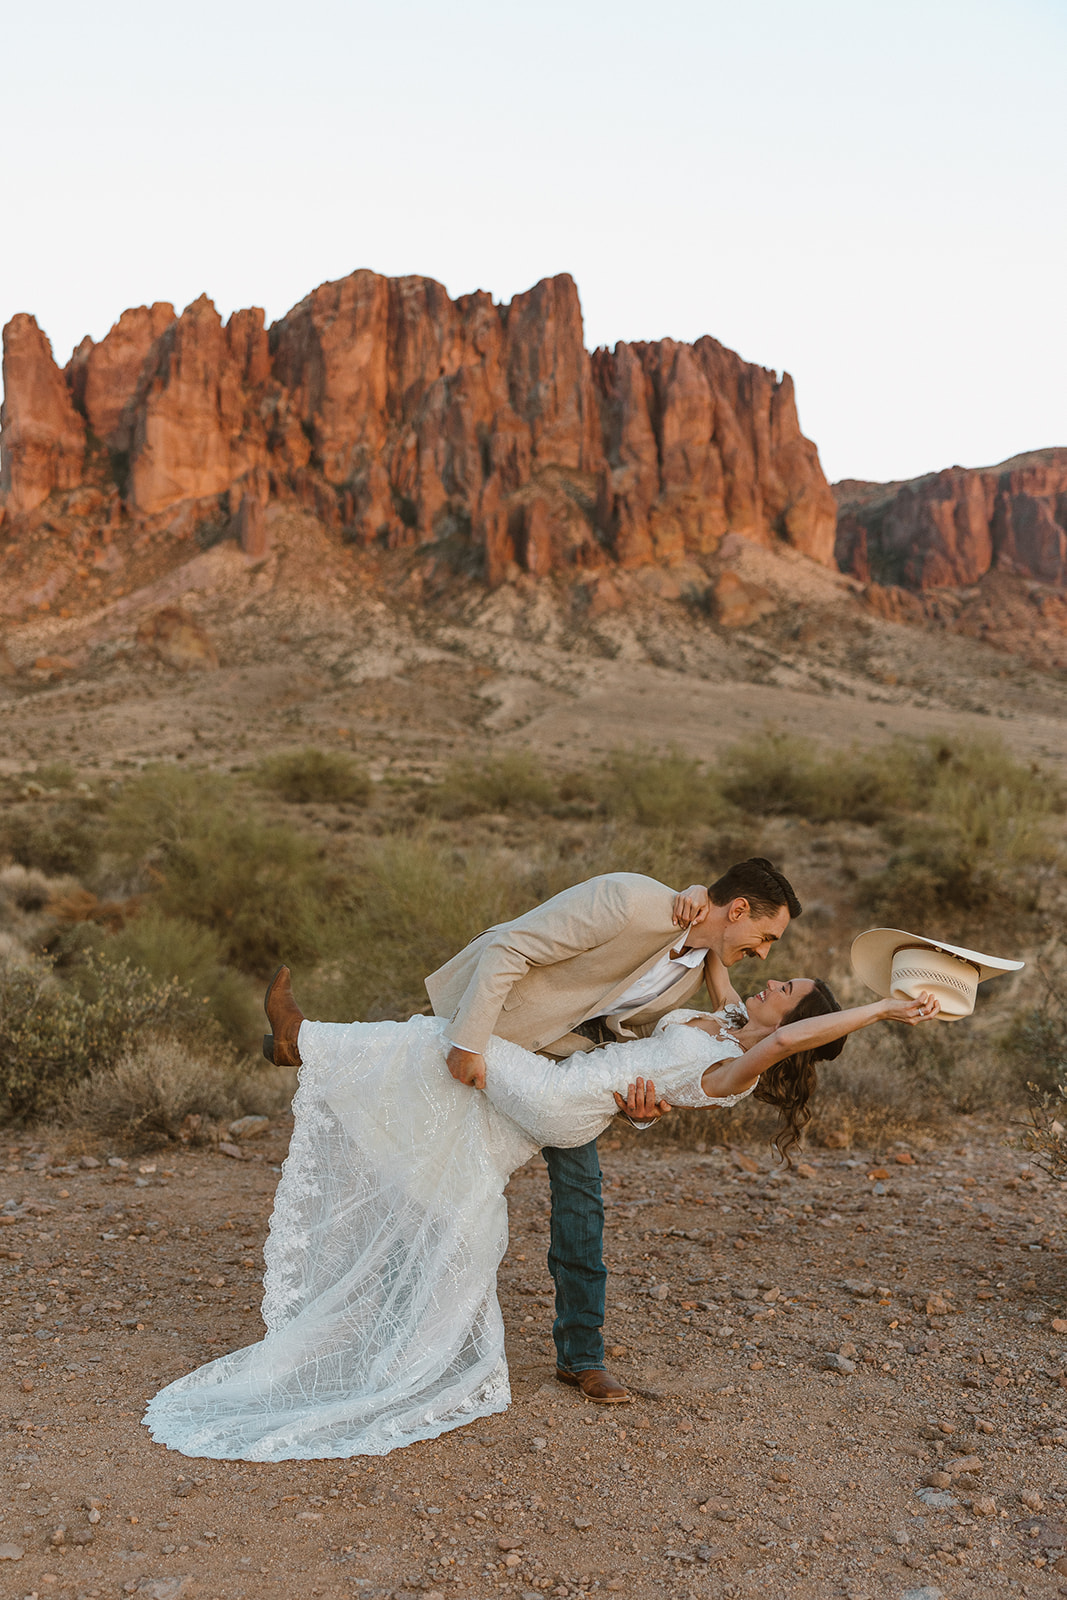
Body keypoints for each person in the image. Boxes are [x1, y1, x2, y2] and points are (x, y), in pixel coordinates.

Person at [143, 967, 938, 1462]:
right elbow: (726, 964)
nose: (773, 985)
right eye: (780, 976)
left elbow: (788, 1035)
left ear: (794, 1030)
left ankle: (300, 1041)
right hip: (579, 1095)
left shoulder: (743, 1065)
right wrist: (715, 933)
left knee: (441, 1039)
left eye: (787, 990)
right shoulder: (725, 1022)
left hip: (567, 1100)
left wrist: (884, 1007)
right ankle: (410, 1314)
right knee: (450, 1143)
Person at [421, 859, 801, 1403]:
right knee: (430, 1177)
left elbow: (634, 1044)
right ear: (738, 910)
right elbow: (508, 948)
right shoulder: (629, 901)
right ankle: (405, 1331)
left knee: (582, 1202)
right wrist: (469, 1041)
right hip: (491, 1034)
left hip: (566, 1074)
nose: (765, 953)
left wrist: (637, 1108)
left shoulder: (695, 973)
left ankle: (581, 1357)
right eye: (765, 937)